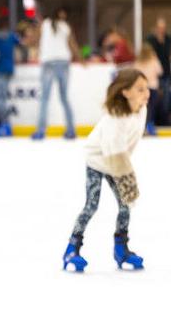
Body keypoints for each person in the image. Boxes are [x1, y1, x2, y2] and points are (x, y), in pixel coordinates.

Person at [62, 69, 149, 272]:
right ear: (125, 92)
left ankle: (121, 248)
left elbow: (127, 147)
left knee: (125, 205)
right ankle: (71, 249)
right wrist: (128, 181)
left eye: (146, 88)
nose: (146, 93)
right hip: (98, 161)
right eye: (140, 89)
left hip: (117, 160)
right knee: (91, 206)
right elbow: (114, 154)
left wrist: (126, 180)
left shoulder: (141, 108)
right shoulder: (115, 118)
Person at [32, 8, 80, 140]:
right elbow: (73, 44)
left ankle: (41, 131)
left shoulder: (45, 24)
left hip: (48, 62)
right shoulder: (65, 26)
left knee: (44, 98)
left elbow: (34, 39)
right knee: (64, 98)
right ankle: (71, 130)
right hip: (63, 62)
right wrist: (81, 59)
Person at [146, 17, 171, 125]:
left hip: (165, 73)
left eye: (163, 28)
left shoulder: (168, 38)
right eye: (159, 27)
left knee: (166, 100)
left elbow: (166, 54)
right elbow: (152, 53)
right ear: (156, 28)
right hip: (153, 75)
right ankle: (152, 121)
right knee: (153, 101)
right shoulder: (151, 39)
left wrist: (161, 41)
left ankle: (164, 122)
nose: (161, 30)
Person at [133, 43, 163, 135]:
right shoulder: (153, 60)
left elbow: (134, 74)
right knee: (152, 108)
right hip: (153, 88)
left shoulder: (138, 62)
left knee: (142, 108)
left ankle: (142, 127)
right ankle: (150, 126)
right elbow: (160, 71)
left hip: (142, 89)